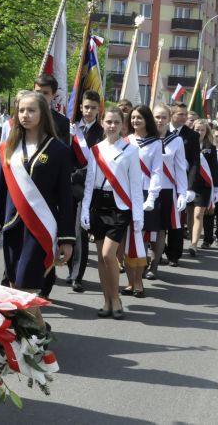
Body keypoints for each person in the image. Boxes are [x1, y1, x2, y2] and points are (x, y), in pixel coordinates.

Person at [0, 92, 73, 326]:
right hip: (12, 227)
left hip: (40, 229)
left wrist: (67, 239)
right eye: (21, 110)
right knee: (16, 290)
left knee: (26, 292)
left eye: (31, 110)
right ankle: (34, 338)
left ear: (43, 114)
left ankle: (36, 340)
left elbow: (66, 198)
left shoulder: (60, 150)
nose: (25, 115)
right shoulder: (8, 148)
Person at [81, 107, 143, 319]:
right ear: (102, 123)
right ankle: (106, 300)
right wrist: (85, 209)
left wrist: (138, 215)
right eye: (109, 121)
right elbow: (90, 181)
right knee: (101, 257)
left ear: (122, 125)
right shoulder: (95, 149)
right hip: (99, 204)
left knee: (109, 254)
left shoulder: (131, 150)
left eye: (117, 122)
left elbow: (136, 184)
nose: (112, 126)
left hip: (120, 207)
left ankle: (116, 298)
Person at [33, 74, 70, 298]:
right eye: (37, 91)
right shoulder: (22, 117)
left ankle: (44, 288)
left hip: (48, 194)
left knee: (46, 243)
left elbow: (62, 159)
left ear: (53, 95)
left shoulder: (61, 122)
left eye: (45, 93)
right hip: (24, 187)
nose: (40, 96)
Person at [65, 90, 104, 292]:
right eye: (86, 107)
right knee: (65, 230)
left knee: (80, 231)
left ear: (98, 110)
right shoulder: (70, 128)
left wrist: (77, 175)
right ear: (80, 107)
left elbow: (99, 162)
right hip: (65, 186)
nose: (89, 111)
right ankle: (68, 268)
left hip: (87, 187)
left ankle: (77, 276)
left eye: (93, 108)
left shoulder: (102, 132)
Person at [125, 105, 163, 297]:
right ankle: (130, 281)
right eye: (132, 118)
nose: (135, 121)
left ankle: (138, 281)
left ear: (147, 120)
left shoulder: (155, 143)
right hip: (126, 194)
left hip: (145, 194)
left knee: (140, 240)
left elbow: (157, 172)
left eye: (139, 117)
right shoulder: (125, 141)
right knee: (126, 240)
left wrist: (151, 197)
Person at [147, 104, 189, 278]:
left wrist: (182, 193)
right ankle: (141, 262)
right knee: (143, 229)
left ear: (169, 118)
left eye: (164, 117)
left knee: (161, 229)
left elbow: (180, 169)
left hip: (166, 190)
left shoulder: (176, 141)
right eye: (157, 117)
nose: (160, 120)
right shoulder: (144, 138)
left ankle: (154, 265)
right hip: (146, 188)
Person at [168, 102, 198, 258]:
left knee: (177, 219)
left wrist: (190, 187)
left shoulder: (192, 135)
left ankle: (174, 254)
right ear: (171, 114)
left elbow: (194, 163)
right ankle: (157, 252)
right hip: (163, 181)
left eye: (186, 114)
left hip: (181, 182)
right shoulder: (161, 131)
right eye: (180, 114)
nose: (184, 117)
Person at [188, 119, 218, 255]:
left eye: (202, 130)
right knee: (190, 216)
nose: (199, 132)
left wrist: (217, 188)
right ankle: (192, 240)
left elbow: (214, 168)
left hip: (204, 186)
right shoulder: (187, 144)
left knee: (198, 215)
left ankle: (194, 244)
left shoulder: (210, 147)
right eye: (197, 129)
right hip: (189, 185)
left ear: (206, 132)